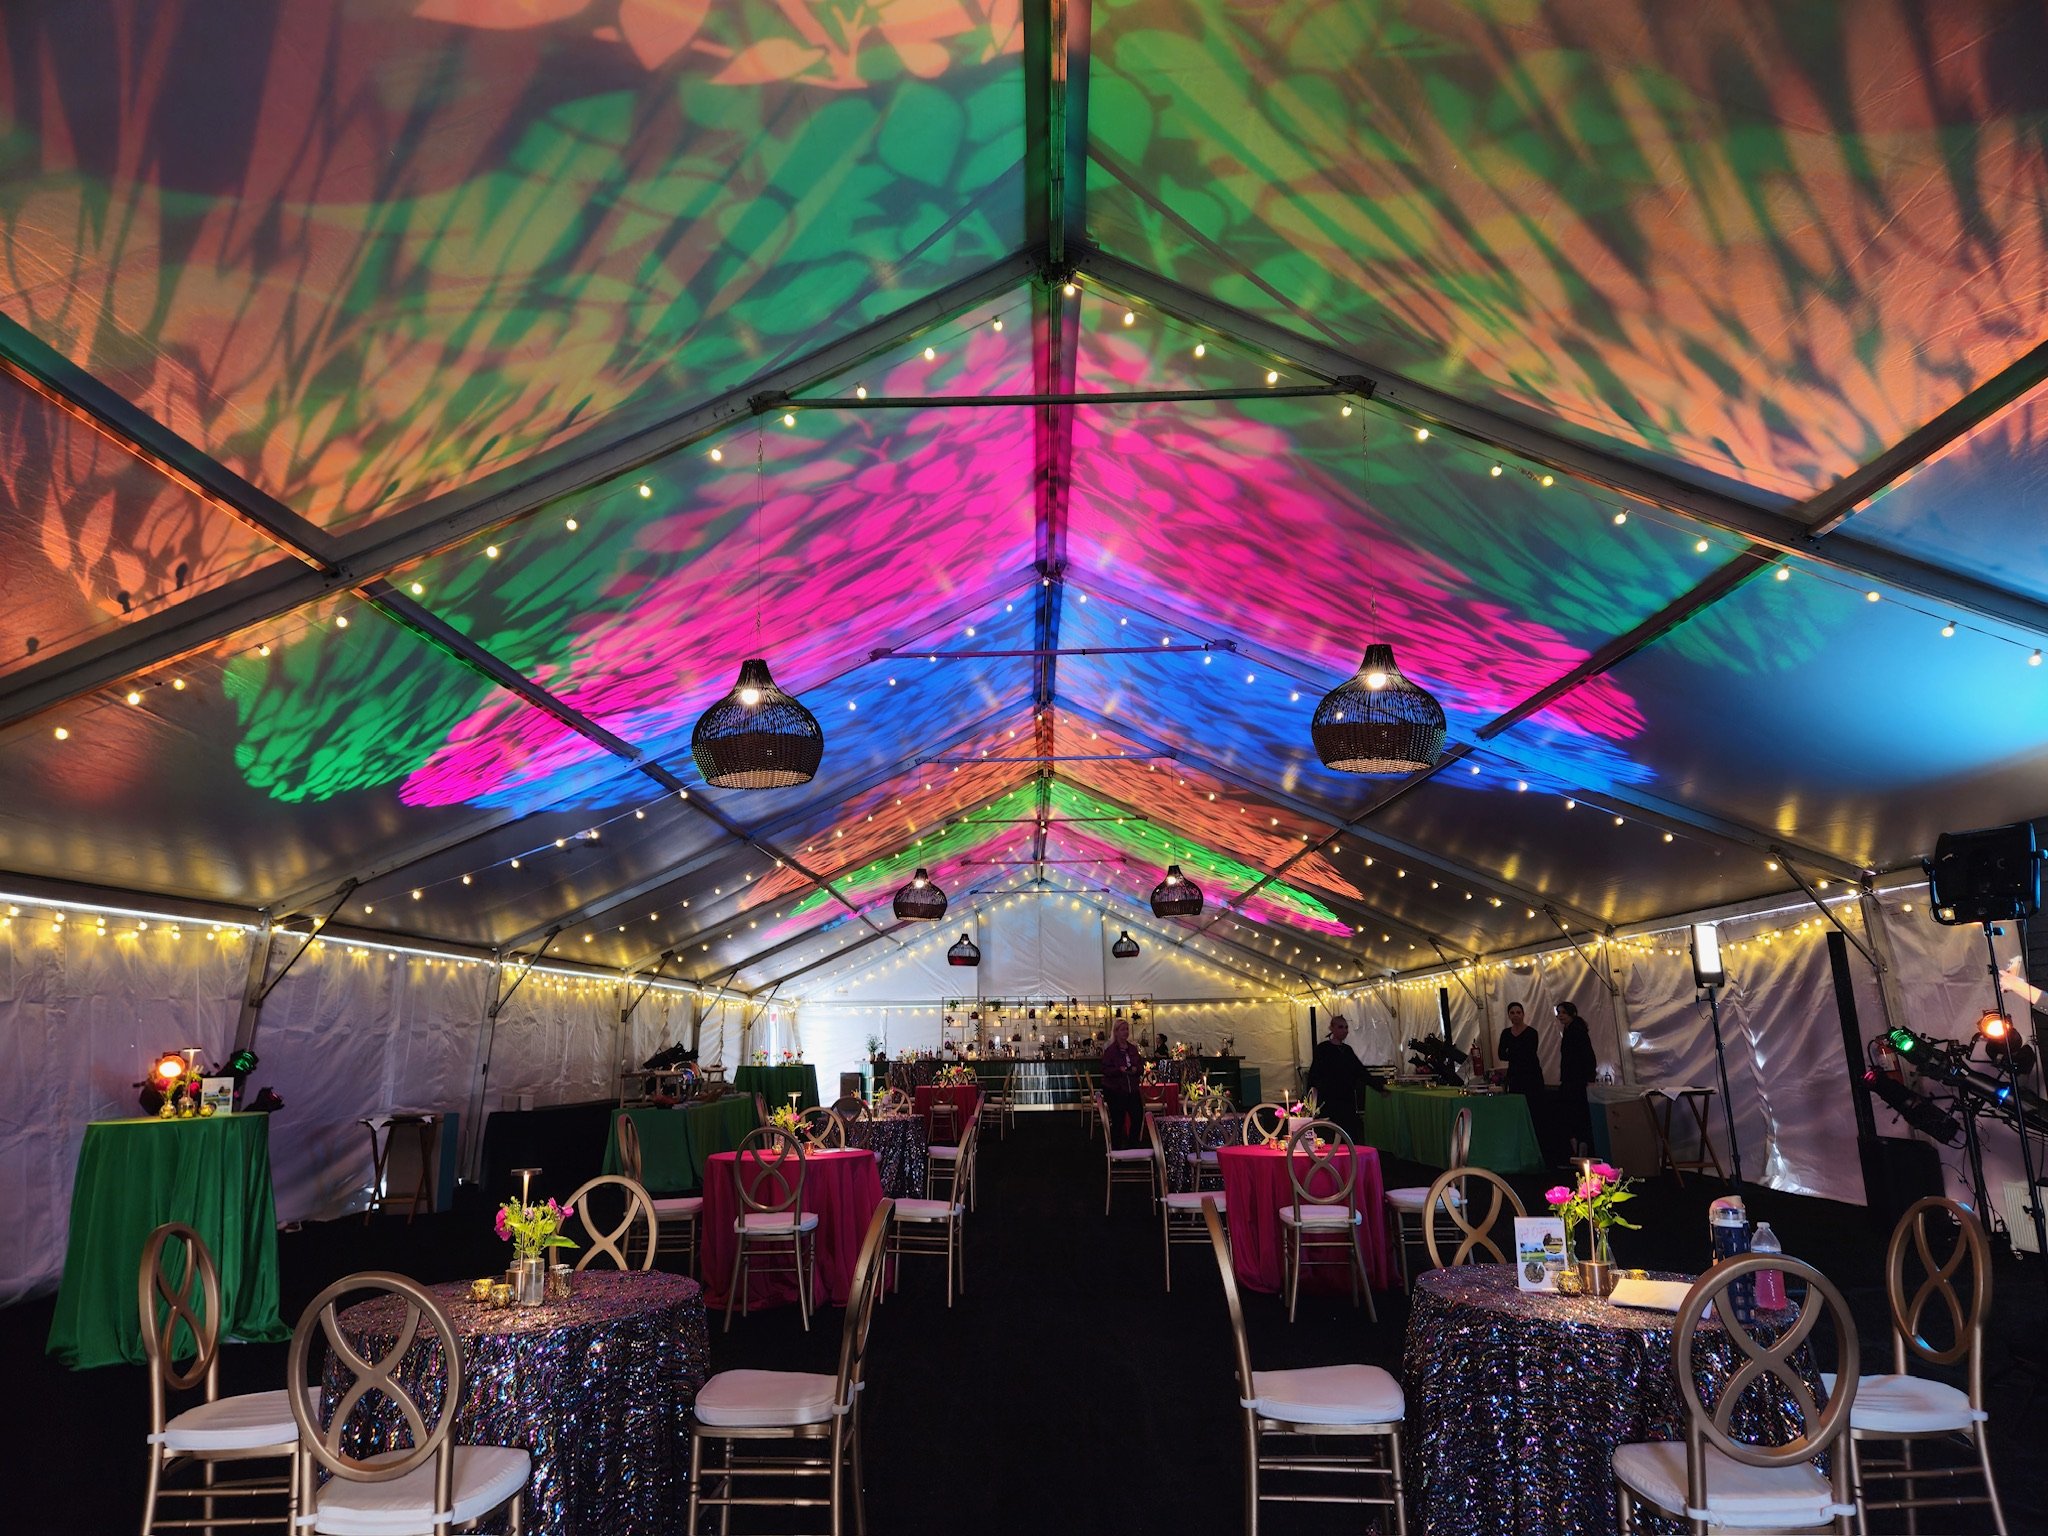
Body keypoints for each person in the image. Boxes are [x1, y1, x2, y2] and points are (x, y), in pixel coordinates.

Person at [1306, 1015, 1370, 1141]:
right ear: (1332, 1028)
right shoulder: (1323, 1049)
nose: (1344, 1030)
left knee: (1348, 1133)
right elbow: (1315, 1073)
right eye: (1341, 1027)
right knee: (1330, 1134)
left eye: (1346, 1027)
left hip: (1346, 1099)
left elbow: (1360, 1070)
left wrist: (1378, 1085)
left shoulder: (1347, 1050)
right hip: (1329, 1099)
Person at [1556, 1000, 1597, 1156]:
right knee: (1573, 1113)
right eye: (1559, 1013)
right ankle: (1578, 1145)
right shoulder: (1568, 1030)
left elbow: (1588, 1055)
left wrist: (1590, 1078)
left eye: (1563, 1012)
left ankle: (1582, 1145)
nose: (1560, 1016)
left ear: (1571, 1014)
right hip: (1570, 1078)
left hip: (1577, 1080)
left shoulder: (1577, 1031)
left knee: (1578, 1113)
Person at [1100, 1018, 1145, 1149]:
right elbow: (1105, 1069)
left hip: (1132, 1089)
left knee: (1137, 1117)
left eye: (1127, 1029)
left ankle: (1133, 1145)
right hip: (1116, 1090)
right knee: (1118, 1121)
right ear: (1116, 1032)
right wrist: (1119, 1070)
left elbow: (1140, 1066)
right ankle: (1117, 1149)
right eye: (1122, 1030)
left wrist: (1136, 1069)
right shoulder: (1111, 1050)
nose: (1125, 1032)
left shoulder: (1132, 1049)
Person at [1497, 1002, 1543, 1097]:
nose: (1515, 1015)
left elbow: (1530, 1054)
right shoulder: (1506, 1033)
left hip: (1531, 1073)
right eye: (1512, 1013)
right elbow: (1501, 1054)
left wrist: (1512, 1053)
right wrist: (1519, 1053)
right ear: (1508, 1015)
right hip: (1514, 1074)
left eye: (1518, 1012)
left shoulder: (1532, 1033)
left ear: (1523, 1014)